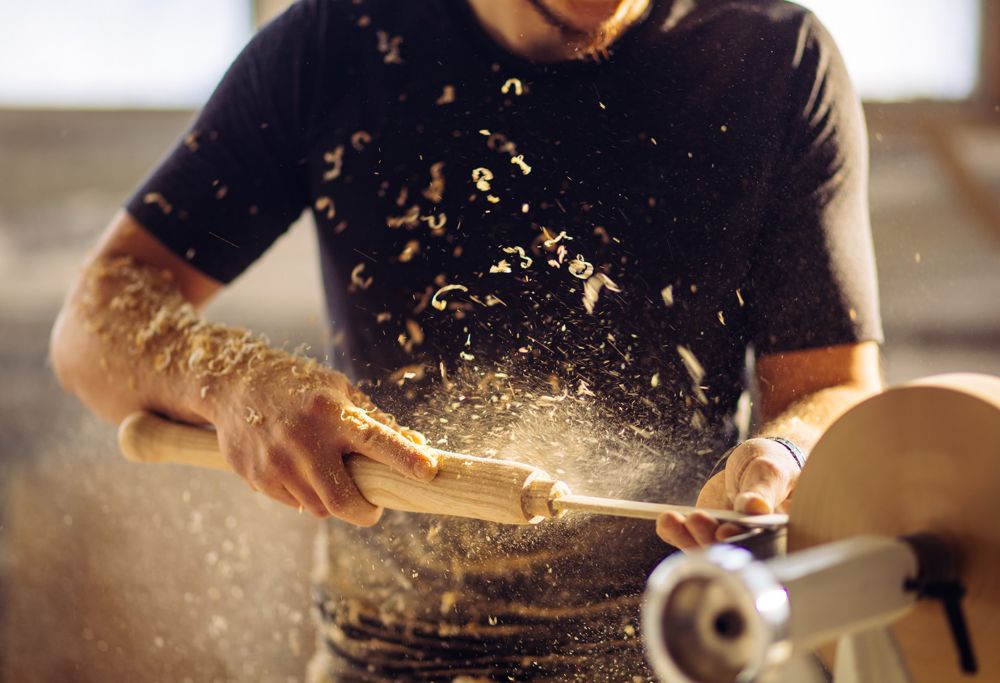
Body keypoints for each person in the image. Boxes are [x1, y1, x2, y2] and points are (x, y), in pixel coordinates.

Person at [51, 0, 884, 680]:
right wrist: (232, 382)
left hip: (683, 646)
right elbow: (93, 321)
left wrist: (787, 454)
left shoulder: (776, 56)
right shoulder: (336, 39)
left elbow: (833, 384)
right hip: (385, 658)